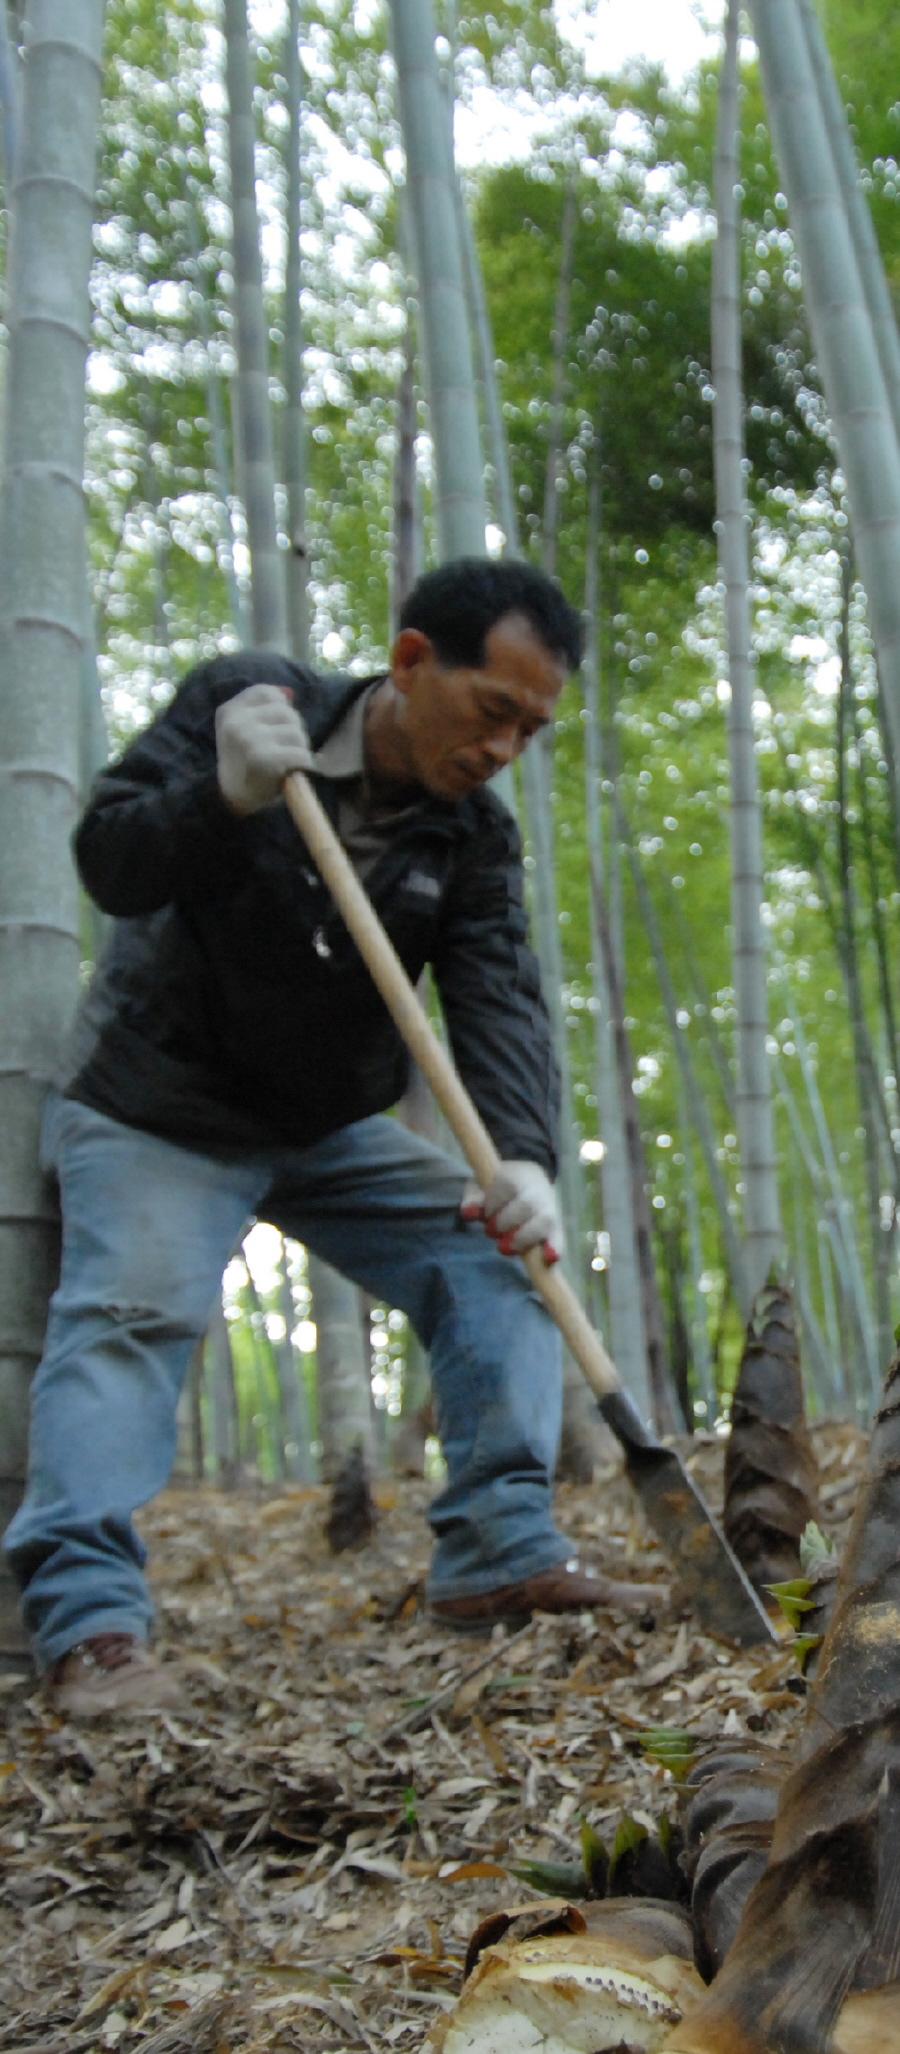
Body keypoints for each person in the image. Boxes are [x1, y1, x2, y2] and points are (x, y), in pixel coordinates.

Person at [4, 556, 664, 1720]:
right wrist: (223, 794)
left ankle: (498, 1551)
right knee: (132, 1311)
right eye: (492, 709)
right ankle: (93, 1626)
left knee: (497, 1249)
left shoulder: (473, 839)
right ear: (413, 662)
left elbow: (499, 995)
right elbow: (111, 861)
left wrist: (524, 1160)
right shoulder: (255, 705)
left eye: (532, 729)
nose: (504, 746)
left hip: (320, 1124)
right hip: (160, 1101)